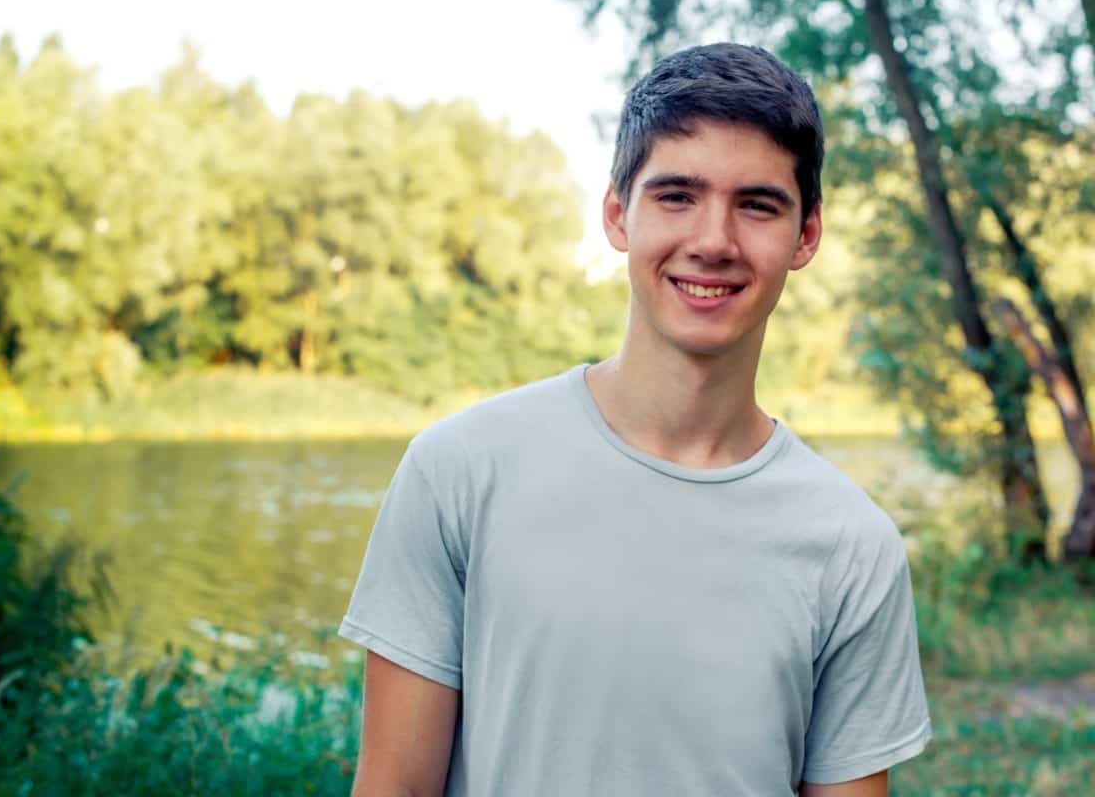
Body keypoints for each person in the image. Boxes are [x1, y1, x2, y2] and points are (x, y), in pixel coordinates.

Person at [338, 42, 932, 796]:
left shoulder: (852, 546)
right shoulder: (459, 472)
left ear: (806, 236)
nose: (712, 241)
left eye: (757, 205)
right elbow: (394, 787)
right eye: (677, 195)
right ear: (619, 214)